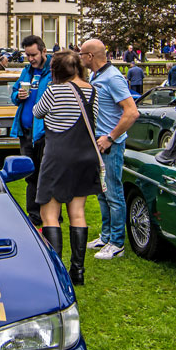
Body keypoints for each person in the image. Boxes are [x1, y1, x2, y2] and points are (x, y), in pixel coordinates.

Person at [33, 50, 99, 284]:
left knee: (49, 214)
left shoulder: (54, 90)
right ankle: (78, 271)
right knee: (77, 212)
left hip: (58, 154)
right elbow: (95, 119)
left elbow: (37, 112)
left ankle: (57, 269)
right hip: (85, 156)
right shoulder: (92, 91)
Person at [80, 39, 139, 260]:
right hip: (98, 143)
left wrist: (111, 138)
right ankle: (105, 237)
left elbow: (132, 112)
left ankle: (117, 243)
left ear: (90, 56)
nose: (80, 57)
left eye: (82, 54)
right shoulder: (96, 76)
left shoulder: (113, 78)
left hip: (110, 145)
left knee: (113, 193)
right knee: (102, 192)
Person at [10, 35, 52, 227]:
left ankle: (51, 215)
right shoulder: (26, 71)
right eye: (27, 55)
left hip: (45, 133)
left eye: (33, 54)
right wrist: (18, 95)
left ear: (44, 51)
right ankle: (34, 216)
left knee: (46, 175)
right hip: (26, 131)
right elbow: (14, 96)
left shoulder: (53, 71)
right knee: (30, 175)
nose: (31, 59)